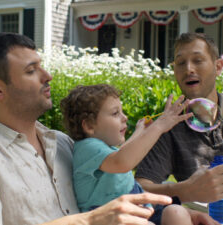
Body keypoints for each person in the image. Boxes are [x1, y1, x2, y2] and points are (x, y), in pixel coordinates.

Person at [0, 32, 176, 225]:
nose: (48, 76)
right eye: (31, 70)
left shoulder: (63, 143)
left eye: (41, 66)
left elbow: (118, 167)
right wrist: (91, 219)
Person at [60, 83, 219, 225]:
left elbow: (124, 152)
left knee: (176, 212)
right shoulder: (87, 148)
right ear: (88, 126)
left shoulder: (107, 151)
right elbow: (123, 161)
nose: (125, 118)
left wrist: (140, 131)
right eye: (115, 113)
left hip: (138, 209)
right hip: (109, 217)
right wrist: (159, 126)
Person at [135, 32, 223, 204]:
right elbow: (140, 188)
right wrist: (185, 191)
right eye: (181, 63)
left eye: (197, 60)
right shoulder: (168, 127)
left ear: (218, 67)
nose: (188, 69)